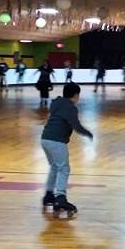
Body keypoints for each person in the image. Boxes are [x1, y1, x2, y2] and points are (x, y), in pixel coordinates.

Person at [40, 82, 94, 219]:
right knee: (64, 169)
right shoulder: (71, 107)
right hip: (57, 141)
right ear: (76, 95)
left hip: (45, 138)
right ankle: (61, 198)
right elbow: (75, 125)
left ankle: (48, 194)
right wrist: (87, 133)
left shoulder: (56, 103)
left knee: (54, 167)